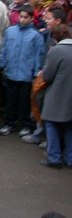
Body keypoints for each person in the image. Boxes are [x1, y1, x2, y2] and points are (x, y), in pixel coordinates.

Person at [0, 5, 44, 136]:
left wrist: (35, 73)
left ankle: (25, 125)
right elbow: (4, 50)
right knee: (10, 100)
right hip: (11, 72)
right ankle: (9, 123)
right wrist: (3, 65)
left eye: (26, 17)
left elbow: (38, 55)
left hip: (26, 74)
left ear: (31, 18)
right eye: (21, 16)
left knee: (24, 102)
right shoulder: (10, 31)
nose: (22, 19)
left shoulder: (35, 36)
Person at [40, 28, 72, 168]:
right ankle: (70, 158)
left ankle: (54, 158)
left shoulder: (56, 51)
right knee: (69, 127)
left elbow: (47, 76)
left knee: (51, 124)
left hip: (56, 95)